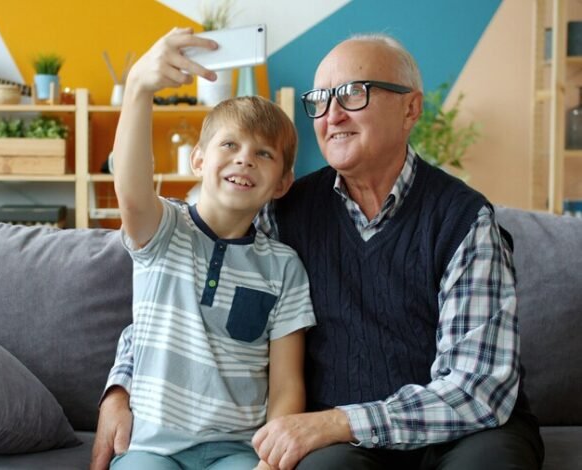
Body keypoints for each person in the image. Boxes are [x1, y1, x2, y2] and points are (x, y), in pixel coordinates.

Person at [92, 33, 545, 470]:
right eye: (321, 100)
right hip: (341, 441)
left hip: (459, 435)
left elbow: (477, 389)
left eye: (352, 94)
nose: (333, 115)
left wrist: (340, 421)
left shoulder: (464, 220)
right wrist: (121, 387)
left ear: (410, 109)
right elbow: (178, 293)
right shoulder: (280, 210)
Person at [104, 27, 316, 469]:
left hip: (238, 450)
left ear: (282, 183)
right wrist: (141, 88)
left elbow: (286, 385)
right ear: (199, 159)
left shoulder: (284, 267)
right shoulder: (163, 229)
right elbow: (130, 186)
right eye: (230, 145)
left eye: (264, 154)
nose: (245, 159)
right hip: (150, 447)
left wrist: (271, 460)